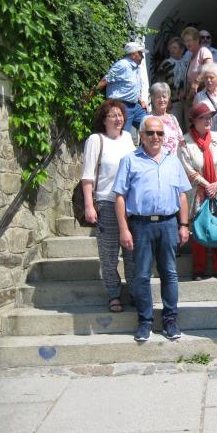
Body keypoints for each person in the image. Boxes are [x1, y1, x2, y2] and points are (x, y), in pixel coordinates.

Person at [112, 116, 192, 342]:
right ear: (142, 136)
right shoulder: (129, 160)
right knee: (141, 275)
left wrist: (184, 225)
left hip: (168, 224)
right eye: (150, 133)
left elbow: (182, 196)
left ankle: (170, 320)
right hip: (140, 225)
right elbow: (120, 197)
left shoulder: (173, 161)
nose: (156, 137)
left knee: (170, 273)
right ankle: (145, 321)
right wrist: (124, 229)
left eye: (159, 133)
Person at [80, 100, 137, 313]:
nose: (118, 118)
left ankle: (134, 292)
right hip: (106, 202)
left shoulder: (128, 138)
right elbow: (87, 177)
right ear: (104, 120)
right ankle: (114, 294)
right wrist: (89, 205)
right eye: (112, 115)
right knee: (109, 254)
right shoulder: (96, 140)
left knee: (133, 253)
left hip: (130, 204)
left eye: (120, 115)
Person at [178, 102, 217, 281]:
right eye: (203, 118)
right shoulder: (185, 141)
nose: (208, 120)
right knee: (199, 228)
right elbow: (186, 169)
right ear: (194, 120)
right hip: (198, 193)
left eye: (210, 117)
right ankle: (198, 268)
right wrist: (206, 184)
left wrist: (216, 183)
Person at [88, 42, 150, 139]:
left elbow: (132, 87)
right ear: (133, 54)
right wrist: (90, 94)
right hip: (122, 105)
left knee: (150, 125)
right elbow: (106, 80)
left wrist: (140, 100)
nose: (142, 56)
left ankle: (146, 147)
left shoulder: (136, 67)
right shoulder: (122, 65)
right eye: (140, 53)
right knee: (121, 137)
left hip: (135, 106)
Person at [181, 26, 213, 114]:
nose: (187, 43)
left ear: (197, 40)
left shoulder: (203, 51)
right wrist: (185, 91)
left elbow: (209, 68)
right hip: (194, 98)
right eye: (185, 41)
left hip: (205, 96)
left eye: (189, 40)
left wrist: (196, 82)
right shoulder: (190, 56)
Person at [157, 37, 187, 127]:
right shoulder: (166, 64)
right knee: (174, 124)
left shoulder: (186, 63)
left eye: (175, 48)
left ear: (182, 49)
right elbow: (160, 83)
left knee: (186, 124)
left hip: (186, 99)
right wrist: (167, 99)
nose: (172, 50)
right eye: (170, 48)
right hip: (173, 101)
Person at [148, 82, 185, 156]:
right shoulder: (148, 119)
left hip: (175, 159)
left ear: (168, 98)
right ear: (152, 99)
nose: (162, 100)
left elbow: (181, 140)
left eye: (164, 97)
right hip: (158, 159)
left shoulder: (172, 118)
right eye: (158, 97)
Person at [193, 62, 217, 133]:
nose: (208, 80)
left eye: (211, 77)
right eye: (206, 78)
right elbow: (195, 119)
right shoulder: (199, 97)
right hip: (207, 135)